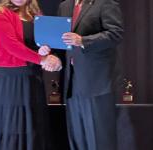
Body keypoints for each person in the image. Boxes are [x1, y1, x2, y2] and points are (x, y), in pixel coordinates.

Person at [0, 0, 62, 150]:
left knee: (33, 121)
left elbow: (41, 43)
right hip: (8, 77)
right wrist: (42, 59)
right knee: (11, 122)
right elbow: (11, 46)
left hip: (32, 75)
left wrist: (46, 52)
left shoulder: (36, 15)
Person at [58, 0, 124, 149]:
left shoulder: (105, 3)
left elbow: (115, 33)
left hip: (97, 82)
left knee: (99, 138)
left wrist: (83, 40)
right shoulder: (65, 5)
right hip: (72, 81)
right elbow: (60, 38)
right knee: (77, 137)